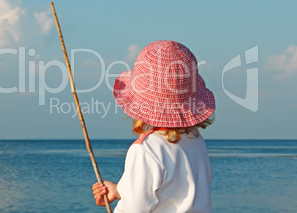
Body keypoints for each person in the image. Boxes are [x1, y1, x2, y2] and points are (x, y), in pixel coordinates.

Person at [92, 40, 215, 213]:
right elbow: (173, 191)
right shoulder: (195, 140)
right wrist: (119, 190)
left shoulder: (145, 150)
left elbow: (134, 209)